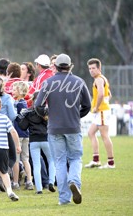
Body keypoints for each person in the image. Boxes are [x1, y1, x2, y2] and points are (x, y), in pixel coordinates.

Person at [35, 53, 91, 205]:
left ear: (56, 66)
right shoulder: (79, 82)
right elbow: (88, 106)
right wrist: (76, 116)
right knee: (75, 158)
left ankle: (64, 198)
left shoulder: (48, 83)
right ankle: (74, 182)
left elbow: (37, 105)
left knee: (59, 161)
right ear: (70, 66)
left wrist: (47, 114)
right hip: (73, 127)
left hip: (54, 128)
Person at [18, 91, 56, 194]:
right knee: (52, 161)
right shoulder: (48, 112)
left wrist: (21, 116)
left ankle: (39, 189)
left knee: (36, 164)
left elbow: (23, 127)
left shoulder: (29, 113)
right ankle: (51, 181)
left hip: (34, 141)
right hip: (46, 139)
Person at [85, 58, 115, 169]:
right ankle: (96, 160)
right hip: (101, 111)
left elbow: (102, 94)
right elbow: (109, 94)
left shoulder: (99, 79)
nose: (91, 70)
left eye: (93, 68)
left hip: (101, 111)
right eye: (89, 68)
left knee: (104, 135)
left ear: (99, 68)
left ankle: (111, 163)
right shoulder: (101, 79)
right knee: (90, 132)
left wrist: (97, 107)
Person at [11, 81, 33, 190]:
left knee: (16, 159)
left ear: (20, 91)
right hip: (26, 134)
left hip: (17, 134)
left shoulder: (17, 104)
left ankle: (15, 182)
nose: (12, 91)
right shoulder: (25, 104)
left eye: (14, 90)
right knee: (26, 159)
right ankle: (29, 181)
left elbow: (14, 117)